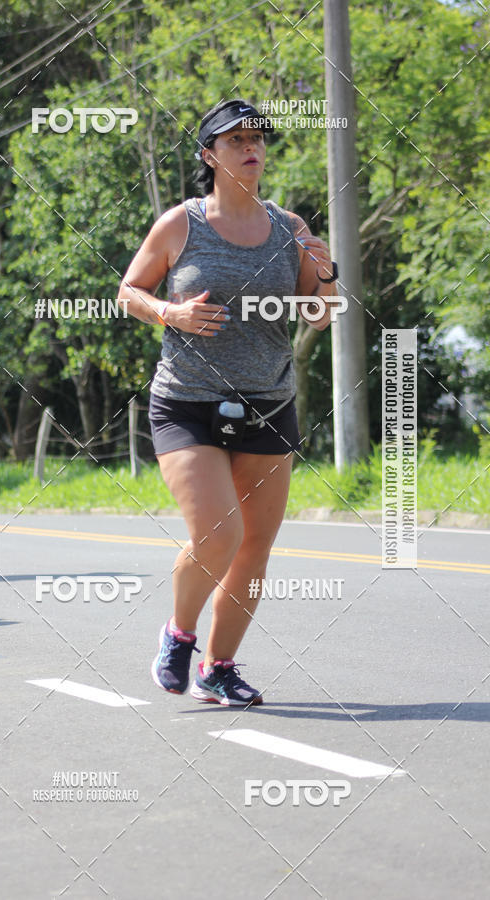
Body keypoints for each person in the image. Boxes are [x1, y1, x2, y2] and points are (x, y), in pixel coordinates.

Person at [118, 99, 339, 705]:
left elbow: (320, 318)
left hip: (269, 401)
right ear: (210, 155)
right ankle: (178, 633)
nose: (252, 148)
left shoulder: (290, 227)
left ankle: (218, 669)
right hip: (188, 402)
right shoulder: (180, 224)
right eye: (237, 139)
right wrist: (171, 312)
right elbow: (128, 291)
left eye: (259, 139)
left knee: (253, 548)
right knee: (219, 532)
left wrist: (323, 275)